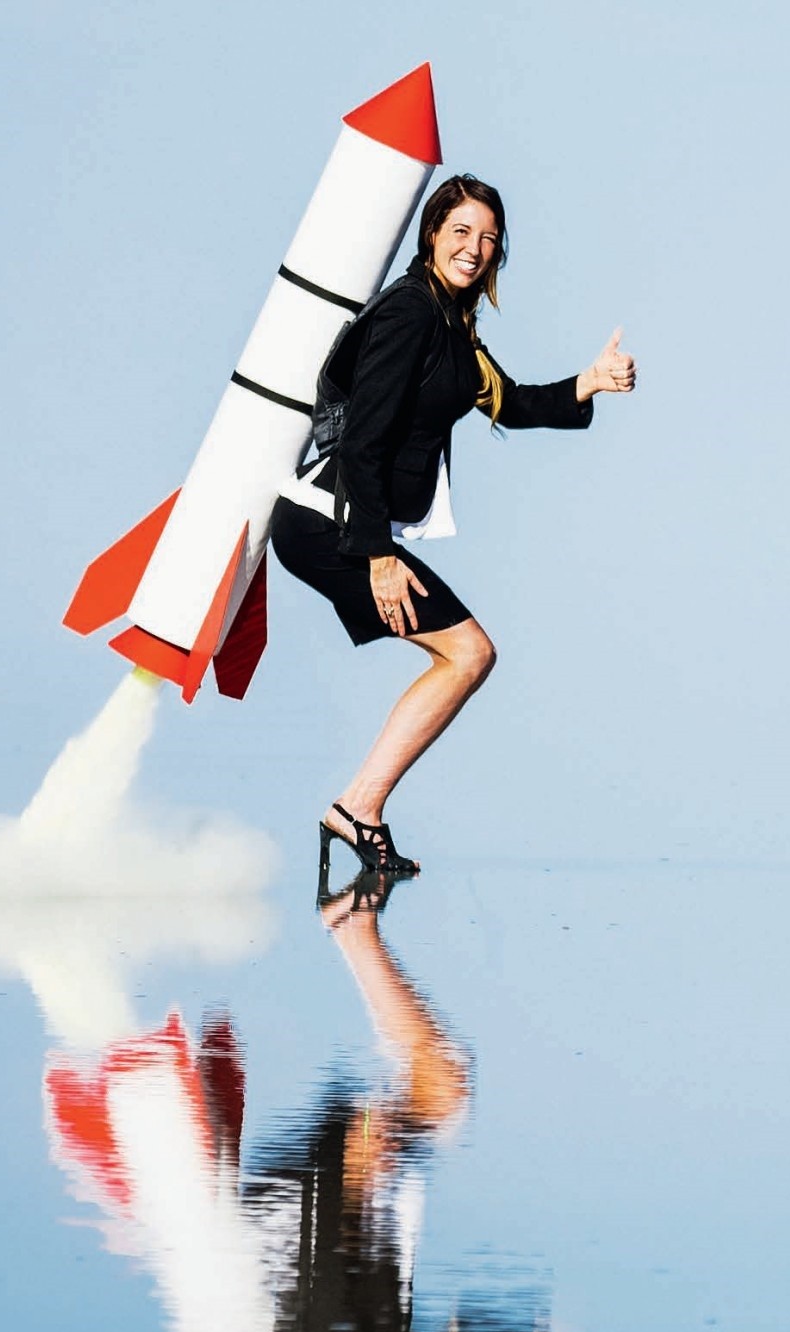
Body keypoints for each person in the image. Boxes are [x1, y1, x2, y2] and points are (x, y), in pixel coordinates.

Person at [270, 173, 636, 877]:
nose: (475, 247)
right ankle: (356, 808)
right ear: (432, 233)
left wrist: (589, 381)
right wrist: (378, 555)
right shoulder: (412, 313)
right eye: (462, 231)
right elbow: (363, 439)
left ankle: (357, 808)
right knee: (468, 653)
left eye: (489, 238)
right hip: (329, 522)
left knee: (465, 654)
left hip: (343, 524)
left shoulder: (452, 325)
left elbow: (510, 403)